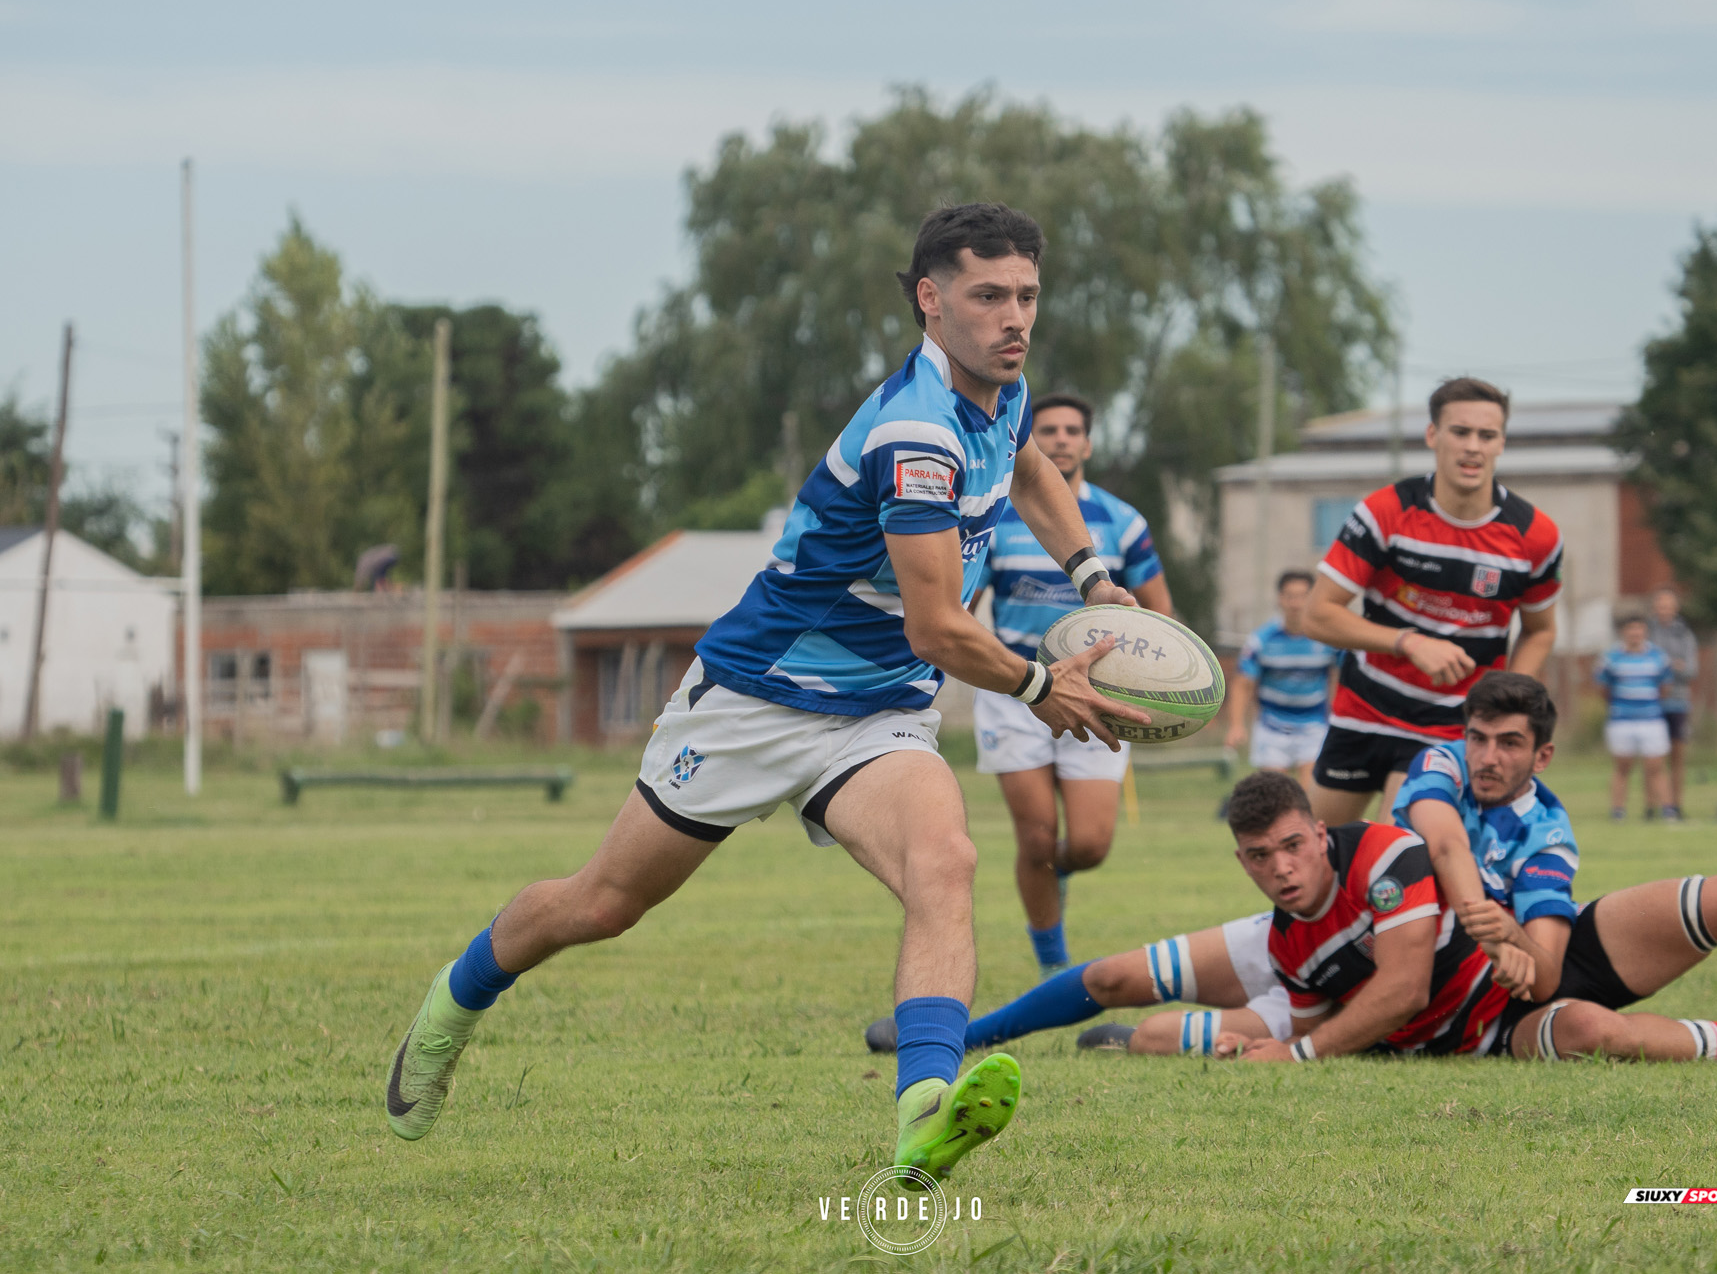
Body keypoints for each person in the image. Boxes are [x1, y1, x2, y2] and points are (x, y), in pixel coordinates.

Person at [382, 202, 1155, 1188]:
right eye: (989, 296)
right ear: (930, 299)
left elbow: (1032, 471)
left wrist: (1093, 574)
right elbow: (936, 627)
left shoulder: (1001, 394)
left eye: (1028, 296)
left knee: (946, 861)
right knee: (603, 903)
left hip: (877, 716)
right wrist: (1041, 683)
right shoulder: (915, 434)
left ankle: (924, 1109)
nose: (1015, 319)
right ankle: (453, 1004)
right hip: (755, 699)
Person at [1394, 672, 1717, 1062]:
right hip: (1484, 1012)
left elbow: (1545, 979)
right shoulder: (1442, 764)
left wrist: (1511, 937)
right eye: (1478, 738)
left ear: (1542, 756)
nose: (1487, 758)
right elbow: (1446, 846)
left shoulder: (1548, 832)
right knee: (1592, 1031)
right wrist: (1492, 937)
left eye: (1509, 743)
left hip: (1530, 964)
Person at [969, 392, 1174, 978]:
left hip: (1099, 695)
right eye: (1048, 430)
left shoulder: (1122, 522)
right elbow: (964, 604)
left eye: (1071, 430)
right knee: (1036, 839)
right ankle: (1054, 969)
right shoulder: (996, 516)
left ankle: (1049, 877)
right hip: (1016, 691)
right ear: (1029, 440)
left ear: (1087, 444)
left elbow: (1161, 615)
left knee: (1088, 845)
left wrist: (1158, 682)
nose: (1060, 439)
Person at [1302, 376, 1562, 826]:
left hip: (1449, 724)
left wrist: (1503, 706)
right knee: (1314, 849)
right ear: (1432, 435)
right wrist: (1409, 642)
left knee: (1395, 851)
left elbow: (1541, 631)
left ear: (1502, 443)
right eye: (1460, 432)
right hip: (1363, 708)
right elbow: (1317, 615)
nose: (1473, 447)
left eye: (1487, 435)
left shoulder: (1535, 536)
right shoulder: (1386, 512)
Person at [862, 913, 1291, 1057]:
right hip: (1293, 933)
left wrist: (1297, 1053)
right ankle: (966, 1036)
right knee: (1110, 976)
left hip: (1319, 1002)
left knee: (1155, 1035)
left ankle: (1130, 1040)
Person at [1224, 572, 1337, 778]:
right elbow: (1242, 684)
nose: (1295, 604)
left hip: (1314, 726)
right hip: (1272, 726)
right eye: (1290, 596)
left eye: (1302, 596)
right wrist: (1236, 725)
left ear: (1312, 598)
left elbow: (1340, 680)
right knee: (1275, 791)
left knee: (1309, 792)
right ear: (1279, 599)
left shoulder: (1327, 637)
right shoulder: (1261, 640)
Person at [1595, 615, 1675, 821]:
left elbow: (1665, 686)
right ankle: (1618, 811)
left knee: (1656, 767)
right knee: (1622, 767)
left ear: (1645, 632)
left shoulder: (1658, 656)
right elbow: (1603, 687)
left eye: (1639, 629)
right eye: (1631, 629)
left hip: (1651, 719)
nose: (1635, 633)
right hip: (1621, 720)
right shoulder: (1611, 657)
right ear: (1624, 632)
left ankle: (1666, 809)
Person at [1648, 586, 1699, 818]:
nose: (1664, 610)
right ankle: (1653, 805)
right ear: (1654, 608)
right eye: (1660, 606)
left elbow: (1691, 670)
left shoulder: (1685, 634)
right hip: (1651, 702)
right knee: (1653, 759)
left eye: (1668, 606)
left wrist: (1665, 665)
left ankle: (1676, 805)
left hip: (1678, 702)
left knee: (1677, 757)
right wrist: (1671, 664)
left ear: (1675, 608)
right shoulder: (1647, 632)